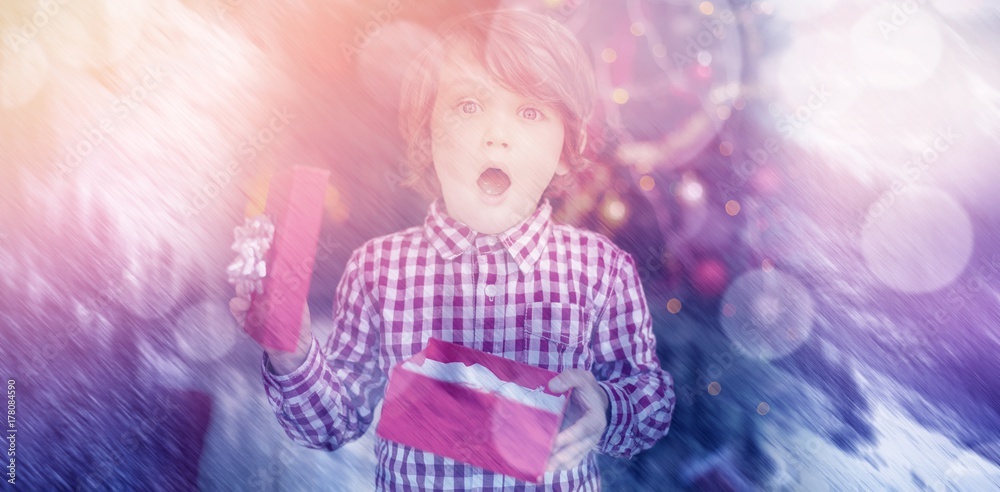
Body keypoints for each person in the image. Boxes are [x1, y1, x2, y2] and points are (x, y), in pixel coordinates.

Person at [229, 9, 675, 490]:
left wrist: (610, 408)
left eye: (529, 112)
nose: (496, 135)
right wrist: (293, 357)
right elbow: (332, 423)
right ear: (425, 136)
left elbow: (649, 399)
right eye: (467, 105)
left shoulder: (601, 269)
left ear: (569, 146)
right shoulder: (378, 269)